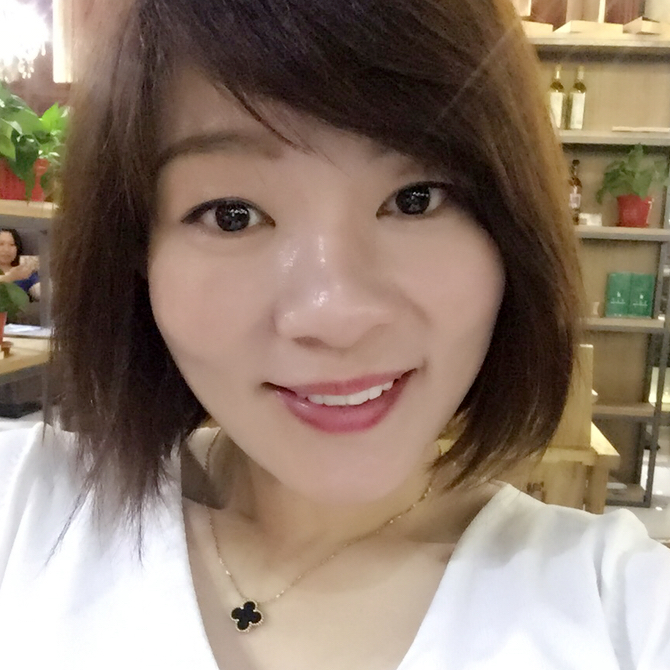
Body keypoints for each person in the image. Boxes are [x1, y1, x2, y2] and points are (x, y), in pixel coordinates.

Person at [0, 0, 668, 667]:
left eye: (415, 200)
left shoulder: (623, 611)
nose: (336, 314)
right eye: (232, 215)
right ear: (135, 254)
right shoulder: (24, 512)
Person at [0, 228, 40, 301]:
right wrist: (10, 277)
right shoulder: (15, 275)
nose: (6, 250)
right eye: (1, 244)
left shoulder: (24, 273)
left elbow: (42, 292)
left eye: (12, 245)